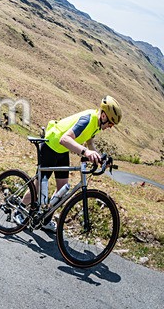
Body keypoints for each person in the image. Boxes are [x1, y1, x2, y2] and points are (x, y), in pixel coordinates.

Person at [19, 96, 122, 231]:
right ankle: (19, 210)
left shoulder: (97, 125)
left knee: (62, 189)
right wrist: (86, 152)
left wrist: (98, 157)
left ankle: (45, 218)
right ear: (103, 116)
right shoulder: (88, 120)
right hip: (51, 145)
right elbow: (64, 139)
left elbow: (89, 142)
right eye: (111, 124)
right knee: (38, 185)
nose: (110, 127)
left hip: (62, 150)